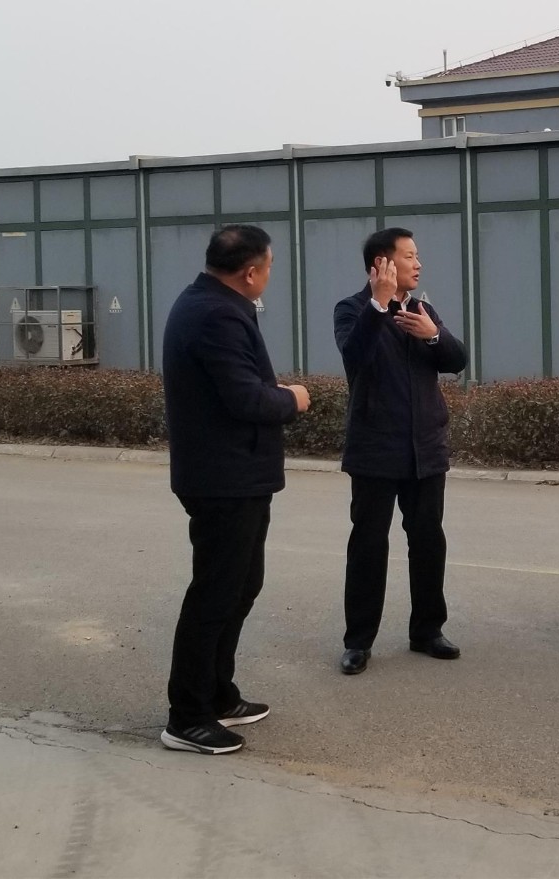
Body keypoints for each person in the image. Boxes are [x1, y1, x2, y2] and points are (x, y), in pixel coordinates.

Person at [160, 224, 311, 755]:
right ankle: (187, 716)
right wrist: (293, 398)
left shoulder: (211, 303)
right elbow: (246, 399)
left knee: (241, 586)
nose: (269, 275)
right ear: (250, 272)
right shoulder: (216, 315)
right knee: (215, 594)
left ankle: (217, 693)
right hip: (223, 480)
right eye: (269, 267)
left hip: (236, 476)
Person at [332, 228, 470, 676]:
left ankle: (428, 631)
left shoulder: (421, 309)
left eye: (417, 255)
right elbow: (356, 356)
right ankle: (358, 641)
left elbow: (457, 360)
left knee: (428, 541)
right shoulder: (351, 309)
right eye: (409, 256)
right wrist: (378, 305)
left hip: (425, 448)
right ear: (383, 264)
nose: (419, 263)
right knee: (368, 545)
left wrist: (433, 335)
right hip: (375, 450)